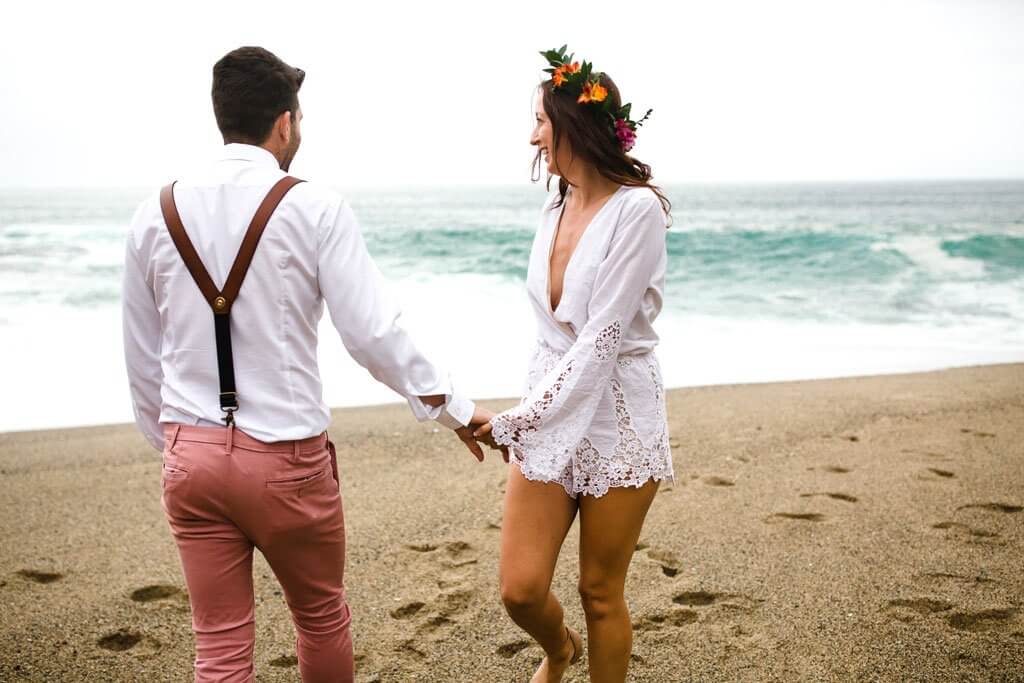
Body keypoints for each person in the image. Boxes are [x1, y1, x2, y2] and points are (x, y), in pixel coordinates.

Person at [122, 46, 494, 683]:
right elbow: (373, 334)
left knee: (217, 649)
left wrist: (179, 445)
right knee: (320, 618)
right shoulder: (315, 208)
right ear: (285, 122)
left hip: (192, 459)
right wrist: (452, 409)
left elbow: (141, 356)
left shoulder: (153, 214)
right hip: (287, 459)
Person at [475, 46, 674, 683]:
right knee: (521, 589)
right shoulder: (555, 201)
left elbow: (602, 339)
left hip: (618, 413)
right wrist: (534, 413)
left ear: (572, 124)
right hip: (551, 402)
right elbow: (552, 330)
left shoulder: (638, 210)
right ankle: (559, 650)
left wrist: (518, 418)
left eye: (540, 119)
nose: (532, 134)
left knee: (598, 591)